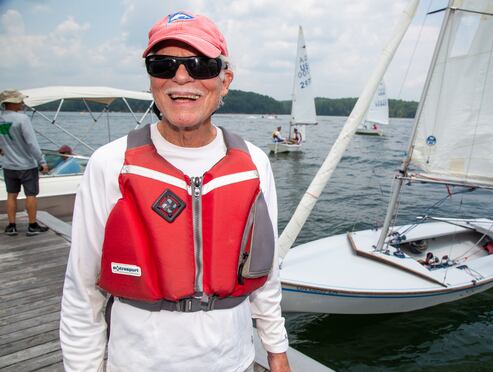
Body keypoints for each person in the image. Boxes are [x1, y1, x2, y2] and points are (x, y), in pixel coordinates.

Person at [59, 11, 290, 372]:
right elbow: (82, 290)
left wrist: (276, 351)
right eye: (163, 64)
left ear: (225, 80)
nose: (181, 77)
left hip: (234, 362)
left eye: (200, 65)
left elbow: (266, 271)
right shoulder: (109, 163)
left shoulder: (254, 163)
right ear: (152, 79)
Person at [0, 89, 49, 236]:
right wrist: (42, 161)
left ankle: (11, 225)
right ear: (13, 103)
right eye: (20, 101)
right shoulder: (22, 119)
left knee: (11, 194)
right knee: (31, 194)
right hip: (26, 164)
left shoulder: (1, 119)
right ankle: (32, 225)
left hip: (8, 165)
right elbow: (31, 143)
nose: (22, 103)